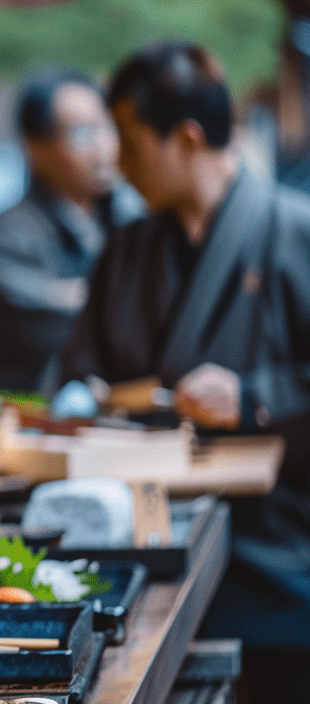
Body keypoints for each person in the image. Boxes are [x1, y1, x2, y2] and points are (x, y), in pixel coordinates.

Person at [58, 41, 310, 702]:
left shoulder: (295, 233)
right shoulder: (128, 248)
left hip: (280, 551)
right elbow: (84, 369)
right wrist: (81, 398)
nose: (119, 165)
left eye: (134, 146)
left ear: (188, 139)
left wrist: (255, 397)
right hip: (145, 548)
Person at [0, 68, 140, 393]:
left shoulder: (130, 215)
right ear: (35, 148)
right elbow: (37, 314)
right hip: (34, 414)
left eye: (106, 127)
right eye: (82, 133)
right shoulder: (12, 230)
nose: (101, 146)